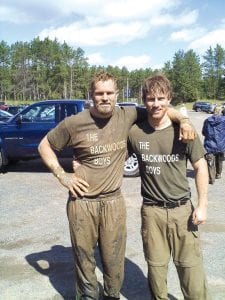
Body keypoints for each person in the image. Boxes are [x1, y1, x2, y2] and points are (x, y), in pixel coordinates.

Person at [38, 71, 196, 300]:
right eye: (99, 93)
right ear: (91, 95)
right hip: (82, 203)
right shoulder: (74, 123)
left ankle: (112, 295)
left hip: (113, 201)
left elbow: (159, 108)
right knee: (83, 258)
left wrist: (184, 119)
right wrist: (63, 176)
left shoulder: (128, 114)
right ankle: (88, 296)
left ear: (116, 94)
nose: (104, 97)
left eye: (109, 93)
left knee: (114, 259)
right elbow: (45, 145)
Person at [128, 75, 210, 299]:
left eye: (161, 98)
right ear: (144, 100)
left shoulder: (185, 131)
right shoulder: (135, 133)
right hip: (152, 212)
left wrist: (202, 205)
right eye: (151, 98)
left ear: (169, 98)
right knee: (156, 271)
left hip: (183, 210)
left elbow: (201, 168)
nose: (156, 103)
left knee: (191, 273)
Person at [202, 106, 225, 184]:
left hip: (209, 145)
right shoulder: (224, 120)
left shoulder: (207, 120)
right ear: (221, 112)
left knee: (210, 162)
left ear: (213, 111)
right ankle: (218, 174)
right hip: (221, 145)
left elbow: (203, 132)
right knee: (220, 161)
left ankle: (211, 179)